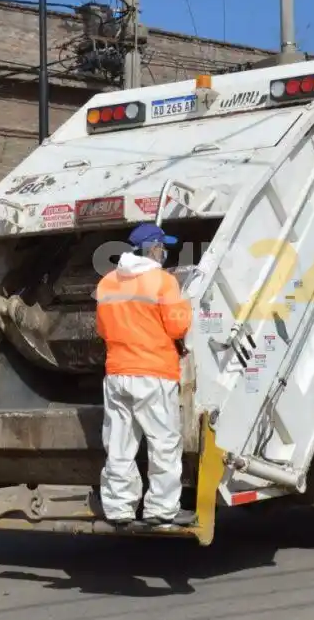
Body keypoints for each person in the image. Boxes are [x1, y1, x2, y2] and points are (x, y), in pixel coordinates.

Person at [95, 223, 194, 526]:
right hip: (154, 373)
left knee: (120, 445)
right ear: (152, 248)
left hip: (117, 374)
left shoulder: (107, 282)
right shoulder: (163, 282)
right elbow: (179, 327)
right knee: (163, 443)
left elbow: (102, 329)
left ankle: (119, 508)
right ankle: (161, 510)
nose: (165, 252)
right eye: (163, 247)